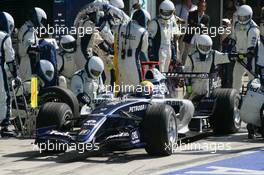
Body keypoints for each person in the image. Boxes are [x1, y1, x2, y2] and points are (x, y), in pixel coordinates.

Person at [184, 35, 237, 100]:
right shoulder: (191, 56)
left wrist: (237, 55)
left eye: (207, 47)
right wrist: (189, 88)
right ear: (197, 45)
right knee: (188, 102)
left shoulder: (213, 54)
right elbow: (186, 73)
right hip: (194, 85)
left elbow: (225, 56)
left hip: (208, 85)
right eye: (203, 47)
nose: (205, 49)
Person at [115, 10, 149, 87]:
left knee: (123, 88)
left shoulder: (121, 26)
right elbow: (143, 49)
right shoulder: (143, 32)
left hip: (120, 61)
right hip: (133, 63)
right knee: (137, 88)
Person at [0, 12, 21, 135]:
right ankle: (4, 125)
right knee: (5, 97)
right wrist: (15, 75)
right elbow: (10, 60)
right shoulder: (4, 37)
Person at [230, 5, 260, 91]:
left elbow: (251, 50)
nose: (242, 20)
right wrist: (230, 50)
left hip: (251, 59)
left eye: (244, 17)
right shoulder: (236, 24)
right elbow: (233, 39)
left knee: (252, 82)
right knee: (236, 80)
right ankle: (235, 98)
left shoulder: (253, 28)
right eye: (240, 17)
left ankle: (251, 100)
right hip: (239, 56)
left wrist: (248, 61)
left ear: (250, 16)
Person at [18, 7, 47, 82]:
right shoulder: (30, 30)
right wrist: (41, 48)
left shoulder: (25, 27)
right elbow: (30, 49)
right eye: (42, 20)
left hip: (24, 62)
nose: (42, 23)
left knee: (25, 88)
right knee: (32, 89)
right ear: (37, 17)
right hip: (29, 65)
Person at [148, 0, 175, 72]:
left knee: (166, 73)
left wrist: (174, 54)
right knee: (159, 72)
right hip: (159, 51)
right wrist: (152, 55)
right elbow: (149, 40)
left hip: (168, 50)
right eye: (164, 12)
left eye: (168, 12)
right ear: (160, 10)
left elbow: (171, 40)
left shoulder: (171, 22)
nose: (166, 14)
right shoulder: (154, 22)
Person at [182, 0, 210, 65]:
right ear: (197, 6)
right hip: (190, 36)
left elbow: (206, 28)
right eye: (200, 6)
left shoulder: (206, 17)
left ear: (205, 8)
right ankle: (184, 66)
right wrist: (200, 25)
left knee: (197, 53)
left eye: (203, 6)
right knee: (187, 52)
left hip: (199, 38)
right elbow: (190, 23)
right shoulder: (191, 13)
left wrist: (198, 26)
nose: (201, 7)